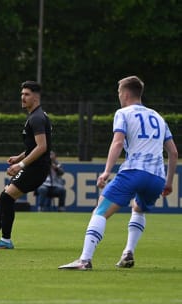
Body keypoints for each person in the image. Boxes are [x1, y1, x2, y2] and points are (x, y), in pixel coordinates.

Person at [59, 76, 178, 270]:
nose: (119, 97)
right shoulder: (158, 116)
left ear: (125, 93)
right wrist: (169, 182)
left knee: (100, 210)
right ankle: (128, 252)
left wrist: (107, 171)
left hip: (133, 172)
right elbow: (173, 152)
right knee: (138, 208)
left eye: (119, 93)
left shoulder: (123, 113)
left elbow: (118, 142)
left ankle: (84, 260)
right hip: (157, 177)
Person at [0, 80, 52, 249]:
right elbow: (34, 146)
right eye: (22, 94)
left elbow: (42, 147)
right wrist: (19, 157)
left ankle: (4, 240)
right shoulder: (38, 116)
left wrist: (21, 165)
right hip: (34, 166)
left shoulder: (36, 118)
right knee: (6, 197)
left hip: (36, 168)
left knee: (6, 197)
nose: (22, 97)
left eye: (26, 94)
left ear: (35, 97)